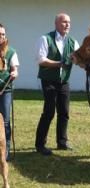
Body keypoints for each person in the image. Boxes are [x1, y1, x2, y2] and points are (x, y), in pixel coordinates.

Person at [35, 13, 79, 156]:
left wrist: (87, 66)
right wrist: (60, 64)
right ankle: (40, 144)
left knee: (64, 112)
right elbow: (41, 60)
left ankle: (62, 142)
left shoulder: (73, 42)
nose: (67, 25)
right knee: (49, 112)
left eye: (69, 22)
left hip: (63, 81)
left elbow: (78, 59)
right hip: (48, 80)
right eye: (64, 22)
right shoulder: (45, 39)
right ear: (56, 24)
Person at [0, 23, 19, 161]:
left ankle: (5, 150)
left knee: (5, 121)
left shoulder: (11, 51)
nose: (1, 37)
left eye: (3, 34)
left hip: (5, 90)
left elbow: (15, 69)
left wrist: (14, 73)